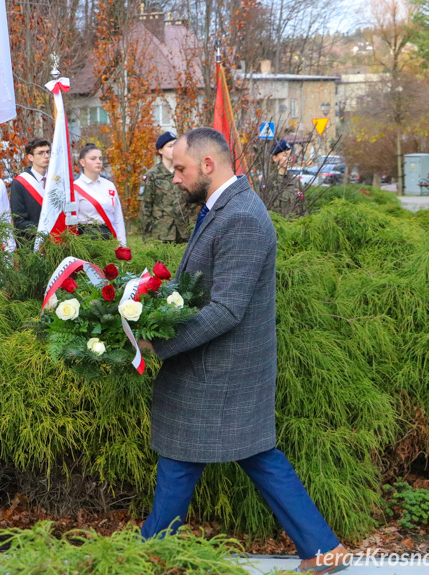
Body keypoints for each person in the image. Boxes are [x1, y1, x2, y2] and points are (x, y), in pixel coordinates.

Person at [137, 128, 349, 574]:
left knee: (183, 456)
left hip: (223, 369)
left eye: (181, 169)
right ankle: (323, 548)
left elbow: (227, 309)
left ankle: (149, 556)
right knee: (243, 454)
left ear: (208, 166)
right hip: (220, 366)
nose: (174, 178)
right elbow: (198, 286)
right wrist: (145, 304)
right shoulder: (224, 207)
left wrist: (159, 342)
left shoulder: (243, 218)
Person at [139, 131, 196, 243]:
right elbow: (145, 208)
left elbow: (192, 205)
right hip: (161, 234)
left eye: (176, 145)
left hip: (184, 234)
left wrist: (193, 230)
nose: (174, 149)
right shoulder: (152, 175)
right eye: (170, 146)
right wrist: (147, 238)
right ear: (160, 150)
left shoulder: (184, 172)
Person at [73, 144, 127, 246]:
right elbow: (73, 221)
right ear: (82, 162)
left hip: (110, 238)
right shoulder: (76, 187)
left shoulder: (109, 185)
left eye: (100, 158)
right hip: (88, 240)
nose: (98, 162)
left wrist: (122, 244)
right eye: (93, 159)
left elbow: (118, 217)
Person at [10, 138, 50, 240]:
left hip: (57, 242)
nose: (46, 156)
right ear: (30, 157)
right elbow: (19, 221)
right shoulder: (19, 183)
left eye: (48, 152)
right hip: (31, 242)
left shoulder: (55, 180)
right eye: (41, 153)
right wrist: (45, 230)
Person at [270, 139, 305, 216]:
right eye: (285, 155)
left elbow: (303, 208)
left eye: (290, 155)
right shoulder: (269, 182)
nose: (289, 158)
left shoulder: (295, 182)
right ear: (275, 158)